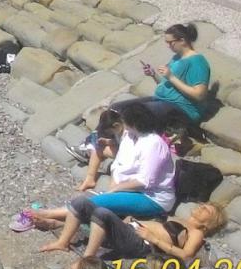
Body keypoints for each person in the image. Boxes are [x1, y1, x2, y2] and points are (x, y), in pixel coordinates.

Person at [31, 103, 177, 254]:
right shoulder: (132, 136)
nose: (124, 124)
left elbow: (145, 181)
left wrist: (116, 189)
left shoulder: (153, 144)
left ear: (134, 123)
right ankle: (58, 223)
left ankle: (55, 223)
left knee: (89, 203)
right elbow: (121, 163)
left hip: (153, 198)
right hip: (135, 190)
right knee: (94, 204)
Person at [110, 23, 209, 136]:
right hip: (161, 100)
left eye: (170, 42)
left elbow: (199, 95)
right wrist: (153, 75)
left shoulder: (198, 62)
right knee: (115, 109)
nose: (168, 46)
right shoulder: (177, 58)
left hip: (181, 108)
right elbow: (168, 85)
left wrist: (170, 76)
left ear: (182, 40)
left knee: (134, 115)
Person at [74, 202, 225, 263]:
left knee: (102, 213)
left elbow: (186, 255)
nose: (202, 206)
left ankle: (87, 261)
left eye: (207, 209)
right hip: (132, 230)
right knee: (83, 204)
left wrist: (154, 239)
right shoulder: (183, 221)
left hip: (142, 243)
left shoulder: (197, 233)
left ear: (208, 223)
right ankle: (56, 225)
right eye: (204, 204)